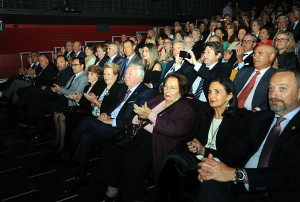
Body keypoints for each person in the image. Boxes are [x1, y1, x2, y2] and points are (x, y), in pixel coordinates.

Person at [197, 69, 300, 202]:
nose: (273, 95)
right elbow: (236, 150)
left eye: (282, 89)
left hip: (276, 192)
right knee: (210, 180)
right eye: (271, 88)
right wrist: (212, 165)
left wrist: (237, 174)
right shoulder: (262, 118)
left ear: (298, 93)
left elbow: (289, 175)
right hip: (242, 184)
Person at [95, 74, 195, 202]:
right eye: (166, 86)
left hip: (158, 142)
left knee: (130, 162)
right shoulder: (159, 99)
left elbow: (173, 130)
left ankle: (134, 198)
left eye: (173, 88)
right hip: (139, 134)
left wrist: (150, 115)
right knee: (113, 148)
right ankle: (112, 189)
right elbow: (137, 117)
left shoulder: (185, 109)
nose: (167, 90)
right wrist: (139, 117)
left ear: (181, 91)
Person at [155, 77, 252, 201]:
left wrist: (204, 151)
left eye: (217, 92)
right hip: (196, 158)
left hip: (219, 163)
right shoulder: (205, 113)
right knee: (172, 159)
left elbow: (234, 154)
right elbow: (190, 137)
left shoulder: (240, 119)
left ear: (229, 96)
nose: (211, 95)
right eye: (210, 92)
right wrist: (192, 145)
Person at [62, 63, 153, 194]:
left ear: (139, 78)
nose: (126, 76)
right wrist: (106, 113)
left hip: (122, 131)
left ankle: (68, 152)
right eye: (126, 73)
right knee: (86, 136)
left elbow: (133, 119)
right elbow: (114, 107)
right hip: (110, 122)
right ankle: (80, 176)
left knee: (87, 121)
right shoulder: (124, 89)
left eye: (130, 74)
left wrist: (112, 121)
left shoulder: (145, 92)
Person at [53, 65, 104, 152]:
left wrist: (78, 99)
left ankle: (63, 145)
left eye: (92, 74)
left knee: (62, 116)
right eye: (88, 74)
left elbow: (90, 106)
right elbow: (83, 102)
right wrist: (77, 99)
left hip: (88, 112)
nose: (88, 76)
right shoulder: (87, 87)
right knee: (56, 112)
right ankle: (58, 140)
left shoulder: (99, 88)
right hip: (81, 108)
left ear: (98, 76)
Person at [234, 44, 276, 112]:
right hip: (233, 109)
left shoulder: (276, 76)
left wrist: (257, 110)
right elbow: (232, 90)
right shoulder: (244, 71)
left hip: (254, 114)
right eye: (254, 53)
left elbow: (275, 99)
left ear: (271, 57)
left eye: (260, 53)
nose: (254, 57)